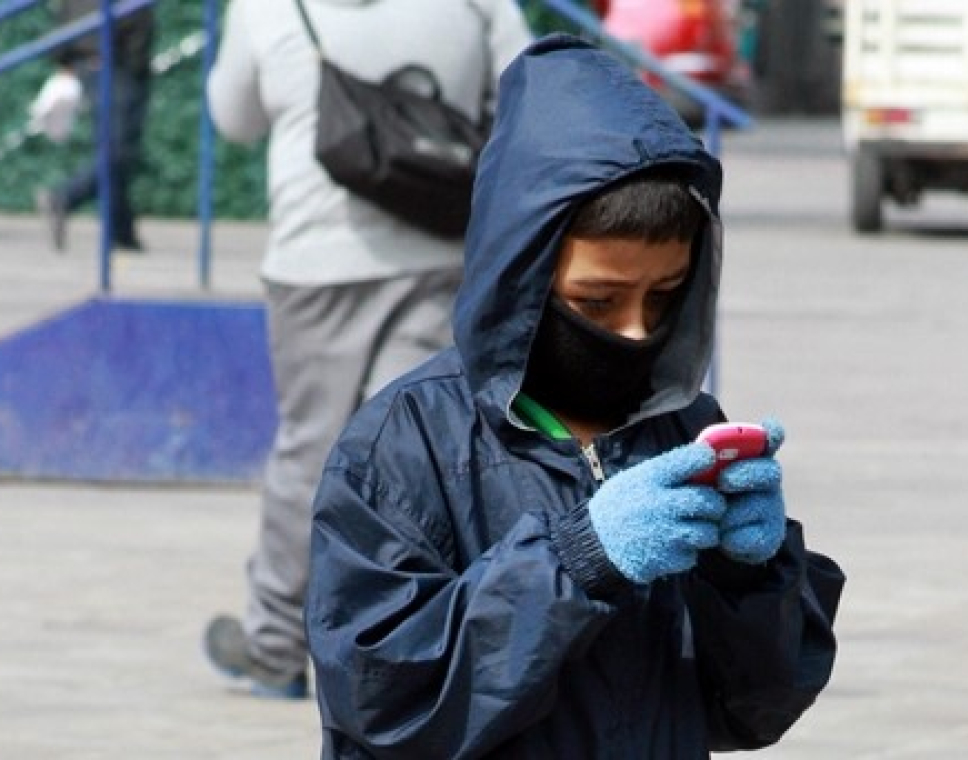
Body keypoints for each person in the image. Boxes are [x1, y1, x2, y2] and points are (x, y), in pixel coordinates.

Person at [305, 33, 845, 758]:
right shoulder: (403, 445)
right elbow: (385, 703)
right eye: (597, 302)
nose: (635, 331)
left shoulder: (682, 427)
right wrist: (578, 560)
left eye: (664, 298)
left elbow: (755, 710)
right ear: (521, 277)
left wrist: (751, 577)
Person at [200, 0, 532, 700]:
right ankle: (418, 646)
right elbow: (525, 91)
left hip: (314, 262)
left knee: (310, 449)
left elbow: (234, 118)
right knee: (421, 457)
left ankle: (275, 646)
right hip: (439, 250)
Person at [35, 0, 154, 253]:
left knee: (113, 147)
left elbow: (65, 15)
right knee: (118, 150)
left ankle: (121, 230)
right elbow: (137, 20)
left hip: (93, 58)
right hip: (115, 62)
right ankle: (64, 197)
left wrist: (64, 59)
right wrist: (135, 63)